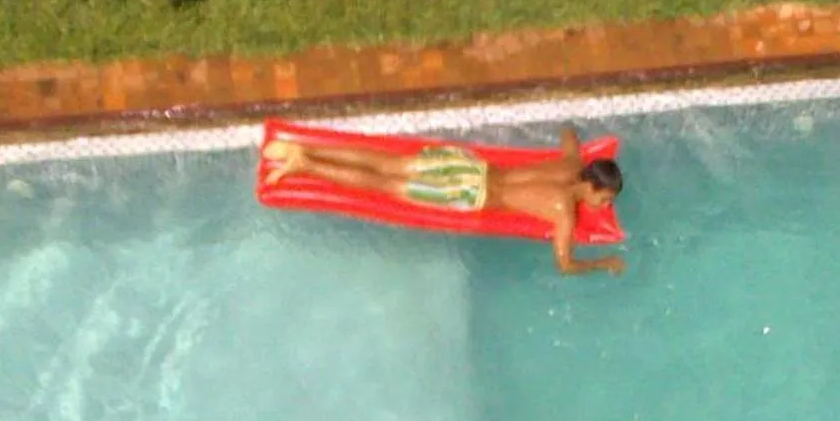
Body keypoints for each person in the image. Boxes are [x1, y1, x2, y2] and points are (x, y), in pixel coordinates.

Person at [262, 123, 625, 277]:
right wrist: (603, 263)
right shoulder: (565, 212)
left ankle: (303, 148)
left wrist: (575, 139)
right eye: (604, 198)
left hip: (470, 167)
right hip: (468, 193)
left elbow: (568, 133)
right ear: (591, 188)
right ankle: (304, 165)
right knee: (382, 184)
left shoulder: (571, 163)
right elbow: (565, 264)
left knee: (384, 161)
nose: (604, 206)